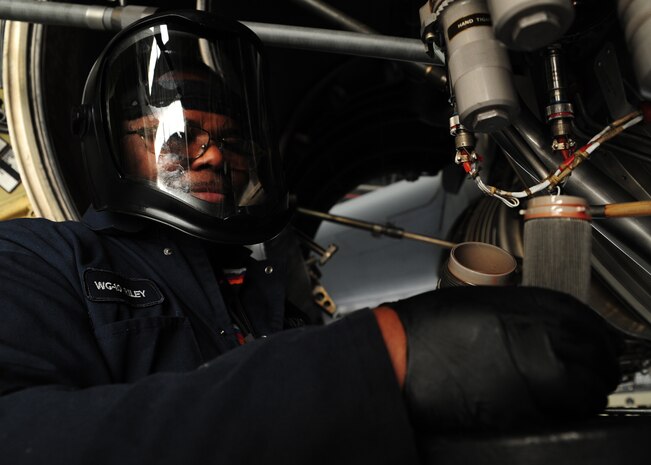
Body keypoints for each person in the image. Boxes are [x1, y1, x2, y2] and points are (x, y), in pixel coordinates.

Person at [0, 10, 620, 464]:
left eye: (230, 140)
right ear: (108, 145)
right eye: (179, 136)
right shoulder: (38, 260)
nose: (214, 156)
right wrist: (378, 360)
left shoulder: (264, 296)